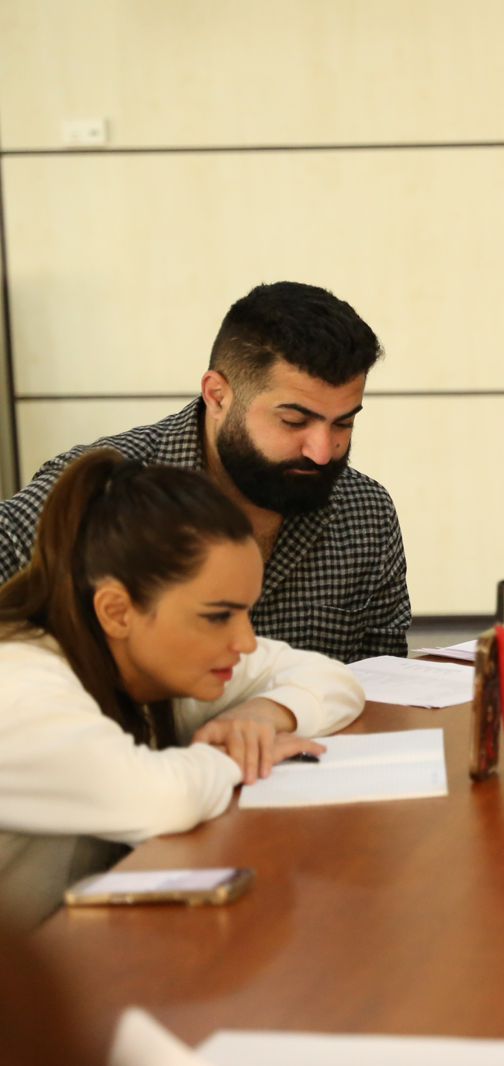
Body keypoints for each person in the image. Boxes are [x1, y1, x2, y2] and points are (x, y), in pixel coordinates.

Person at [0, 451, 364, 927]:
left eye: (246, 612)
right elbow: (159, 799)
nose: (245, 641)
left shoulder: (153, 656)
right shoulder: (18, 684)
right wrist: (233, 758)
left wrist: (259, 715)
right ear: (116, 611)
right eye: (218, 616)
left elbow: (334, 679)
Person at [0, 281, 410, 662]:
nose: (322, 453)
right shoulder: (102, 492)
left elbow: (383, 683)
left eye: (343, 423)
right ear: (217, 395)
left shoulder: (365, 512)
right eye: (293, 421)